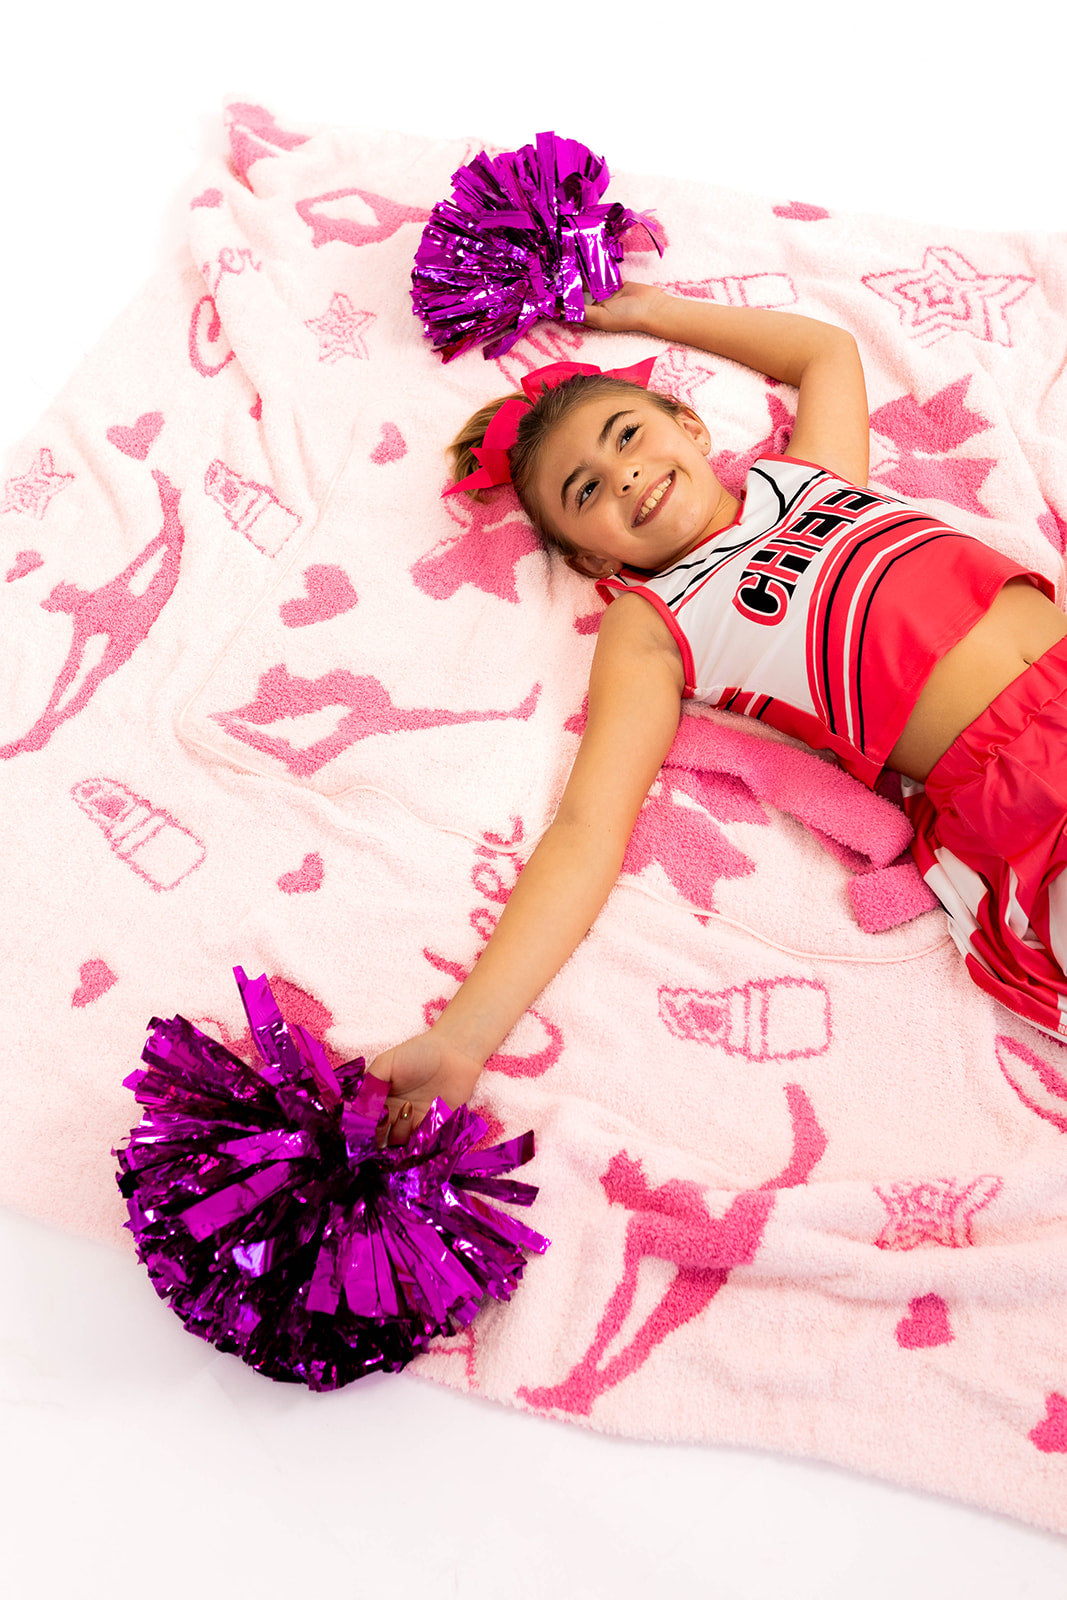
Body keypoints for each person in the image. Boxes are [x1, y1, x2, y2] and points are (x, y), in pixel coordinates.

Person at [368, 281, 1067, 1142]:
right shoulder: (650, 625)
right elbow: (588, 827)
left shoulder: (807, 479)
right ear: (591, 556)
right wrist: (462, 1036)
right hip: (1024, 801)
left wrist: (637, 310)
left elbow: (823, 352)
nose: (621, 472)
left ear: (688, 429)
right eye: (584, 492)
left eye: (627, 435)